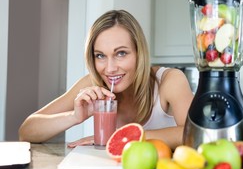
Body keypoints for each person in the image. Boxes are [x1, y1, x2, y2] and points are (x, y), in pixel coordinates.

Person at [18, 10, 194, 149]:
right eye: (100, 55)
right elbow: (26, 131)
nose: (109, 68)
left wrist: (121, 137)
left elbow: (193, 135)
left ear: (139, 53)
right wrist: (74, 116)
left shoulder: (169, 81)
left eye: (121, 53)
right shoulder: (92, 84)